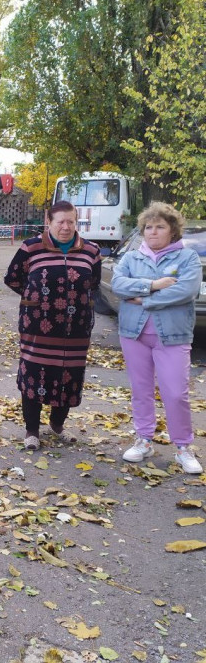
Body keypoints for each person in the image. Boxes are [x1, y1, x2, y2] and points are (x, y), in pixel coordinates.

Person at [111, 202, 203, 474]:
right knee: (141, 390)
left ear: (172, 231)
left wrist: (143, 299)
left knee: (175, 393)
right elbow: (118, 285)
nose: (153, 232)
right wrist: (152, 285)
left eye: (160, 226)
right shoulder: (131, 257)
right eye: (148, 227)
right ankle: (144, 439)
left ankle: (183, 447)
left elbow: (185, 291)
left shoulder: (186, 258)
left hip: (173, 335)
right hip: (134, 333)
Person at [4, 200, 101, 450]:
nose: (66, 227)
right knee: (34, 375)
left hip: (76, 331)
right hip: (38, 329)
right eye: (60, 222)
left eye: (71, 221)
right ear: (49, 222)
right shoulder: (32, 247)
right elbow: (13, 277)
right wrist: (35, 300)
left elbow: (94, 283)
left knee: (69, 377)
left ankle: (57, 425)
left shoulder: (91, 250)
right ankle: (32, 431)